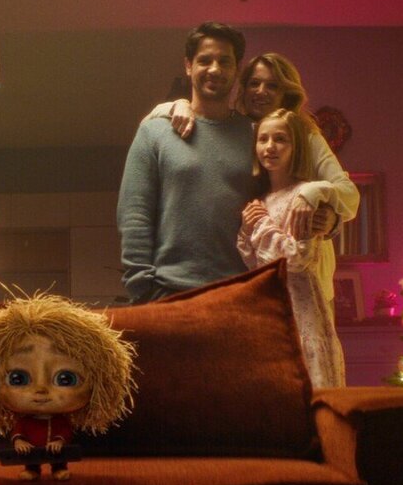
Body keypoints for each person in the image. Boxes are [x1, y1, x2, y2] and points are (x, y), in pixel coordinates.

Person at [143, 52, 359, 309]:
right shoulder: (233, 132)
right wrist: (178, 106)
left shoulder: (307, 138)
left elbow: (348, 194)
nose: (261, 91)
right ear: (243, 89)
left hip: (306, 283)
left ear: (286, 93)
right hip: (248, 272)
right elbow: (151, 123)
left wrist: (322, 206)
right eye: (254, 83)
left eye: (272, 85)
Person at [117, 22, 256, 304]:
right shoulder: (154, 132)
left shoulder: (257, 136)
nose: (215, 69)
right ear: (188, 66)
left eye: (224, 61)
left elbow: (283, 196)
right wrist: (142, 289)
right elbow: (134, 215)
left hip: (241, 294)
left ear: (237, 69)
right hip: (168, 294)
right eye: (205, 60)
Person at [0, 294, 137, 481]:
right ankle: (33, 469)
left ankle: (58, 468)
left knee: (59, 458)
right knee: (30, 460)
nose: (40, 389)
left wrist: (59, 441)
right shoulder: (24, 422)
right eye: (18, 379)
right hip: (31, 452)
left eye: (65, 379)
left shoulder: (61, 422)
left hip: (57, 451)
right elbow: (18, 432)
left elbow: (65, 432)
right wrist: (19, 441)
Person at [238, 108, 346, 388]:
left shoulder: (304, 197)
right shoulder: (263, 199)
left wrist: (261, 225)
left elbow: (298, 259)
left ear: (295, 147)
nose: (270, 146)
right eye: (263, 139)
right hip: (271, 312)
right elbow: (254, 263)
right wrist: (248, 228)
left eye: (280, 139)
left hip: (302, 311)